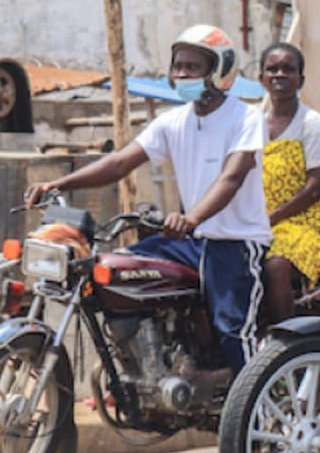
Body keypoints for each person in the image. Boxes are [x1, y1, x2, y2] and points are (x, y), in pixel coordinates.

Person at [25, 24, 270, 375]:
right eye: (178, 66)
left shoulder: (245, 118)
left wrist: (191, 217)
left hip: (236, 243)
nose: (182, 73)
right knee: (114, 275)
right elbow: (121, 161)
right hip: (191, 242)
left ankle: (254, 419)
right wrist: (58, 183)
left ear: (219, 71)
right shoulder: (172, 121)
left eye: (192, 67)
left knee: (233, 328)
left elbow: (231, 178)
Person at [258, 43, 320, 322]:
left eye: (288, 69)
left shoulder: (311, 122)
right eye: (272, 69)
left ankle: (285, 345)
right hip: (263, 223)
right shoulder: (253, 125)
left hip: (310, 224)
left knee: (276, 266)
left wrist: (271, 218)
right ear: (262, 78)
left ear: (300, 80)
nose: (280, 74)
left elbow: (316, 187)